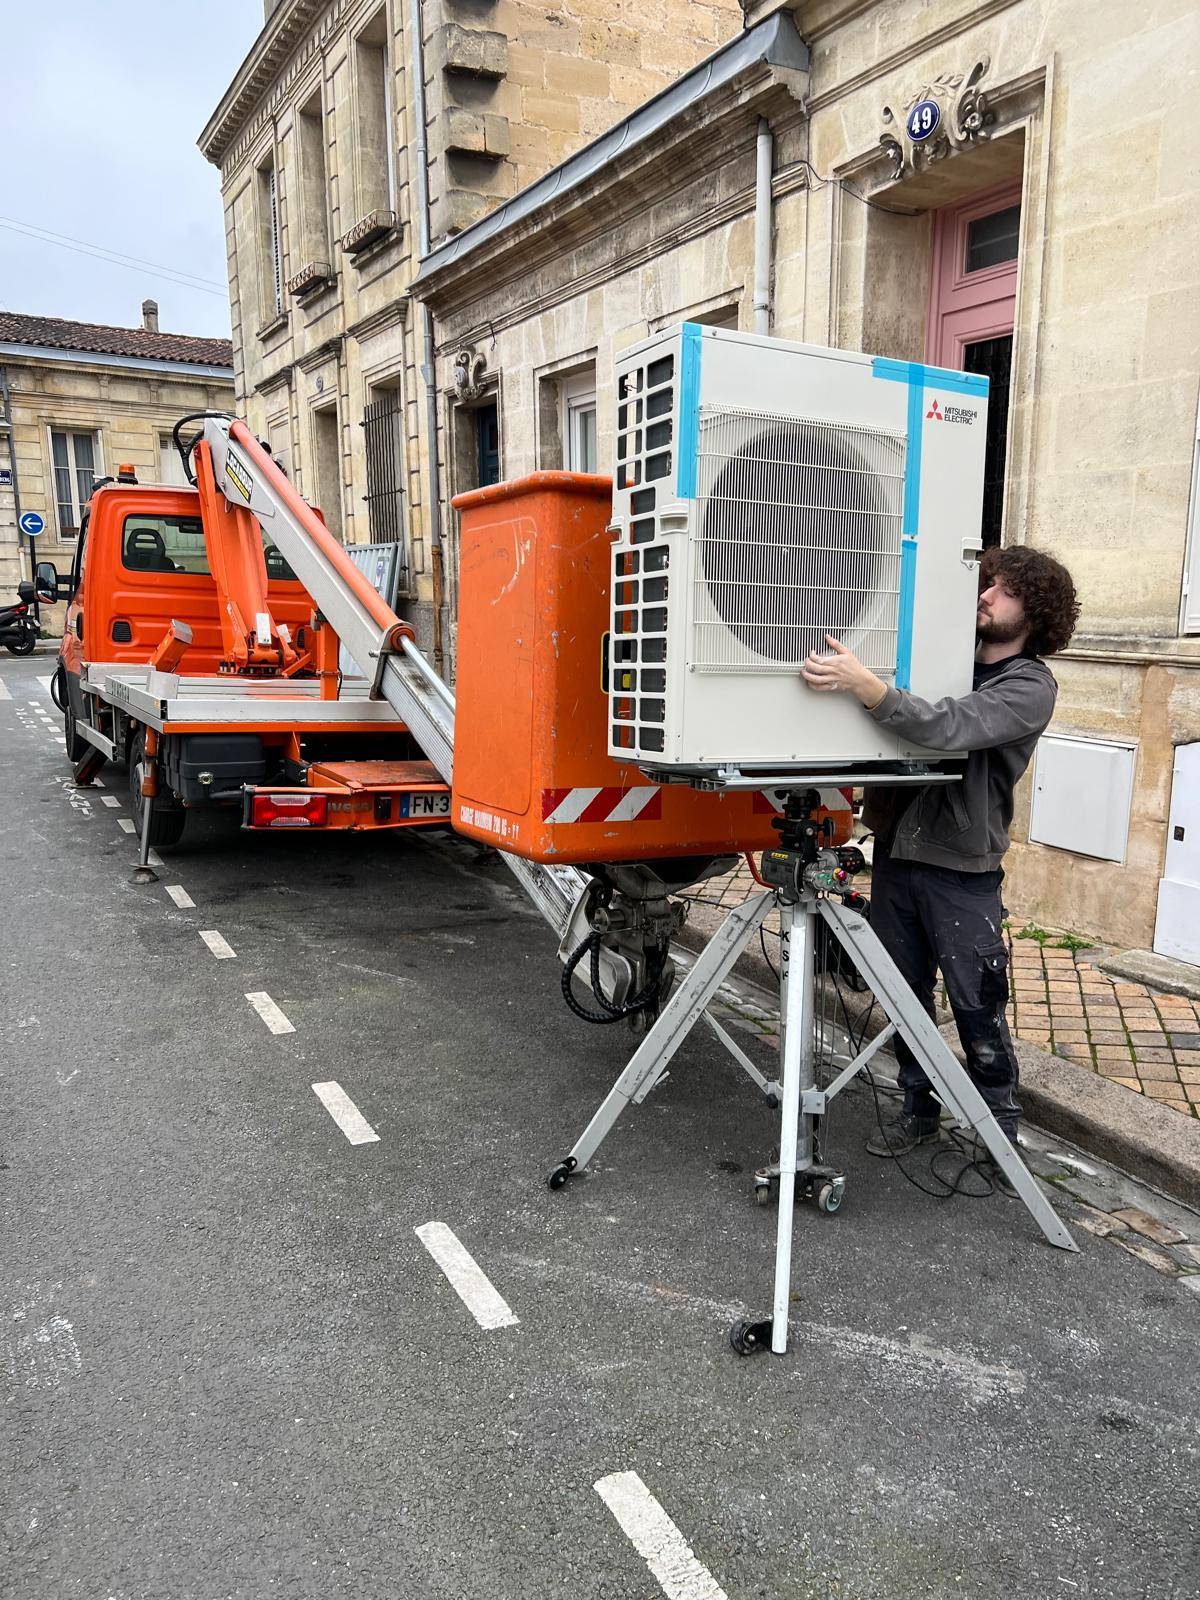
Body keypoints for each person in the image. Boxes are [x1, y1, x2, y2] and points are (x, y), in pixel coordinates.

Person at [799, 546, 1081, 1190]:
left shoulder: (1029, 686)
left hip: (962, 870)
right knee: (903, 995)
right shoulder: (944, 660)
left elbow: (948, 727)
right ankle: (919, 1110)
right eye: (987, 583)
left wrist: (868, 687)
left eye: (1005, 590)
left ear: (1036, 611)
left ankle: (999, 1132)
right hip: (898, 856)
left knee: (977, 1003)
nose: (986, 595)